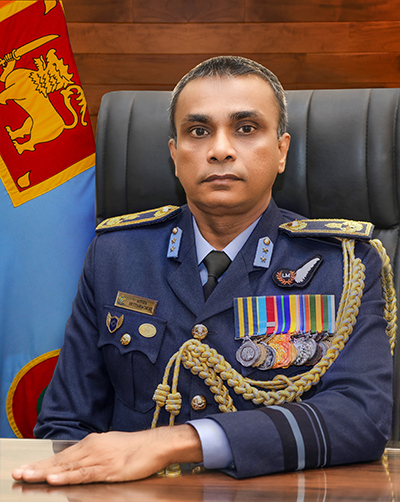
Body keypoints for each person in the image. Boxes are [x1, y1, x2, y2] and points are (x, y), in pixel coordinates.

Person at [12, 56, 394, 485]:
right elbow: (65, 424)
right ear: (175, 155)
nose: (220, 149)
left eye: (246, 128)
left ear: (282, 151)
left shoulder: (343, 265)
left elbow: (361, 416)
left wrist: (177, 441)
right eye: (198, 131)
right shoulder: (115, 255)